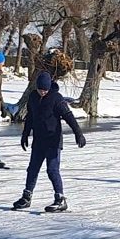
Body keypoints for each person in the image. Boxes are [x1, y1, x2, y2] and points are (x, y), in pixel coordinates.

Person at [13, 71, 86, 212]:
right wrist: (25, 134)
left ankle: (60, 199)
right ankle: (27, 196)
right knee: (32, 169)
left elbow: (68, 116)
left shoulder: (56, 98)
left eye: (45, 90)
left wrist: (78, 133)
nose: (43, 92)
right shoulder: (33, 97)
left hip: (53, 140)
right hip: (39, 140)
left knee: (52, 170)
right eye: (40, 89)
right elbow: (30, 117)